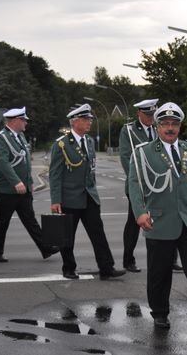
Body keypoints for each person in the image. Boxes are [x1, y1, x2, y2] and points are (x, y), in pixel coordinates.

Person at [128, 102, 187, 329]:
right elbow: (135, 184)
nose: (170, 128)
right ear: (157, 126)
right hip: (159, 221)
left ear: (180, 126)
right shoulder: (143, 152)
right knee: (159, 273)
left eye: (174, 124)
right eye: (165, 124)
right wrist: (140, 213)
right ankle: (160, 313)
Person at [49, 104, 125, 280]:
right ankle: (69, 268)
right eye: (86, 119)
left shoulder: (89, 142)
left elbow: (91, 171)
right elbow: (55, 175)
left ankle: (106, 268)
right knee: (67, 237)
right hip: (70, 198)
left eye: (90, 119)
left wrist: (94, 192)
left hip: (89, 196)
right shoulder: (62, 145)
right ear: (75, 122)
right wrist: (55, 200)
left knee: (98, 234)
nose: (89, 122)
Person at [0, 107, 58, 262]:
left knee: (30, 219)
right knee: (2, 222)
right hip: (7, 189)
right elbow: (3, 163)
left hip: (23, 188)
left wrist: (29, 181)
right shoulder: (1, 138)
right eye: (23, 120)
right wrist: (16, 182)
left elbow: (25, 162)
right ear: (15, 121)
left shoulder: (20, 137)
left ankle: (45, 248)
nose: (26, 123)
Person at [118, 98, 158, 273]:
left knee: (165, 220)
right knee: (133, 223)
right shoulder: (128, 130)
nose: (150, 118)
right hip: (139, 185)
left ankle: (170, 258)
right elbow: (125, 157)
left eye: (152, 114)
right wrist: (139, 180)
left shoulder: (158, 128)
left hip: (159, 184)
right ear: (139, 113)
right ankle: (128, 260)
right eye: (147, 115)